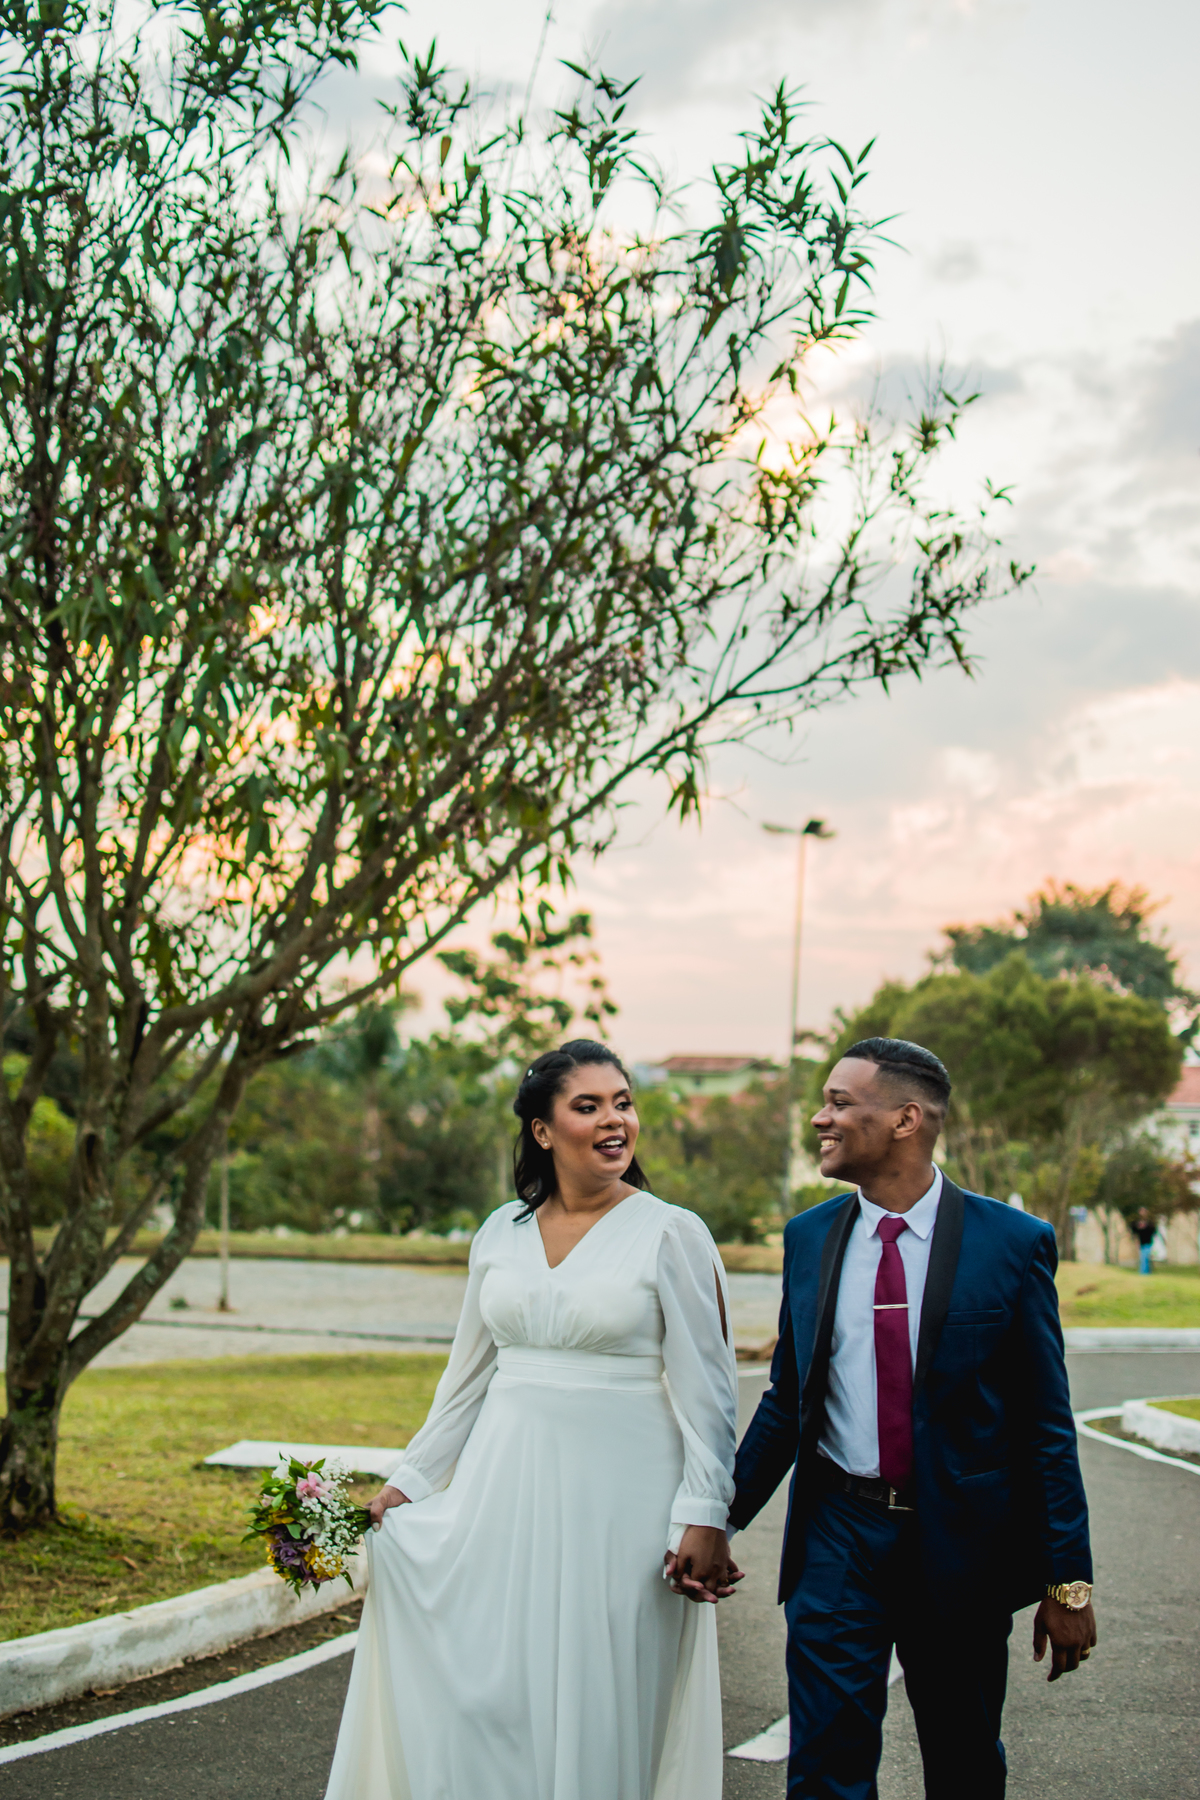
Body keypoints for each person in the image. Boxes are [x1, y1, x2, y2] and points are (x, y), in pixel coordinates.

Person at [325, 1039, 741, 1800]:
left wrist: (706, 1515)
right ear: (543, 1131)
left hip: (623, 1506)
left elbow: (710, 1394)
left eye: (622, 1102)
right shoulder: (499, 1233)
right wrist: (408, 1483)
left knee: (604, 1695)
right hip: (502, 1495)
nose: (614, 1120)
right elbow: (466, 1380)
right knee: (498, 1693)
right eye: (588, 1106)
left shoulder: (672, 1231)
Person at [729, 1036, 1097, 1800]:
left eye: (839, 1102)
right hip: (838, 1537)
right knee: (826, 1766)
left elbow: (1046, 1426)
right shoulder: (809, 1239)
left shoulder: (1012, 1245)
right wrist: (714, 1518)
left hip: (959, 1544)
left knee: (963, 1762)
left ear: (905, 1119)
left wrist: (1069, 1585)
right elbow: (788, 1402)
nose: (819, 1117)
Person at [1132, 1206, 1158, 1275]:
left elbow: (1154, 1231)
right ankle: (1145, 1272)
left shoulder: (1150, 1222)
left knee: (1146, 1257)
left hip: (1148, 1242)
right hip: (1141, 1242)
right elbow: (1135, 1232)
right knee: (1143, 1257)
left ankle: (1144, 1272)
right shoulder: (1137, 1223)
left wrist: (1146, 1227)